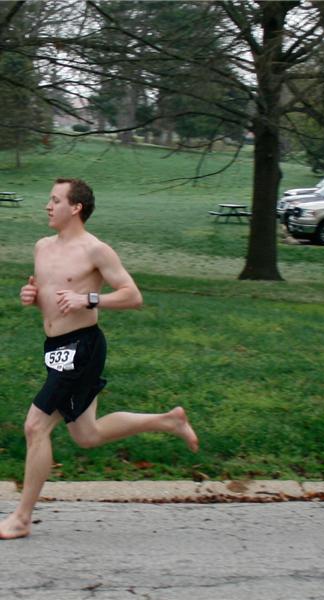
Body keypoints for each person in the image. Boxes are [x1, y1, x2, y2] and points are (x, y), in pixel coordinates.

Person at [0, 178, 199, 540]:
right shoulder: (41, 247)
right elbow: (49, 300)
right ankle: (168, 421)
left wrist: (89, 300)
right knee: (87, 434)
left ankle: (22, 518)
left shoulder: (96, 250)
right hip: (55, 348)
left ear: (75, 208)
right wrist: (31, 296)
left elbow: (133, 296)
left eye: (55, 199)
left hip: (84, 348)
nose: (47, 205)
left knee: (35, 426)